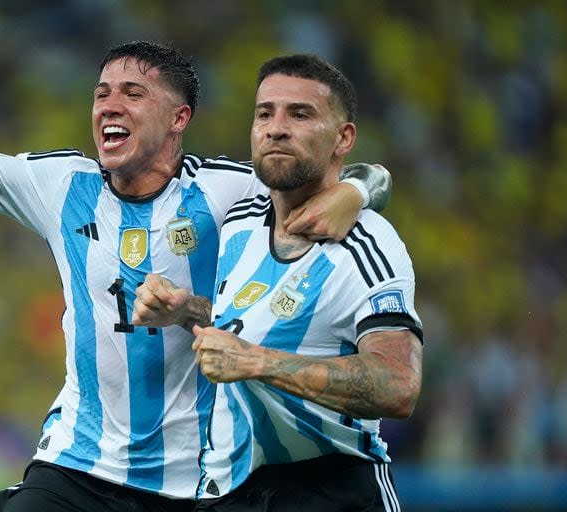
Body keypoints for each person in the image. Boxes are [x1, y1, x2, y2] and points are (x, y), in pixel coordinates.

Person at [0, 15, 392, 512]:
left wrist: (356, 189)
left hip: (200, 478)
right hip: (78, 465)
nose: (109, 106)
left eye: (132, 94)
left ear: (178, 118)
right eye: (101, 94)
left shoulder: (229, 191)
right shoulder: (62, 185)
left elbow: (338, 174)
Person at [133, 55, 422, 511]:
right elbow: (253, 323)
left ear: (343, 138)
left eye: (300, 114)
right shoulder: (242, 220)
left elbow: (397, 384)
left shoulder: (367, 243)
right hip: (230, 490)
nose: (277, 128)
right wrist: (186, 309)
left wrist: (258, 362)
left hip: (330, 488)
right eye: (265, 113)